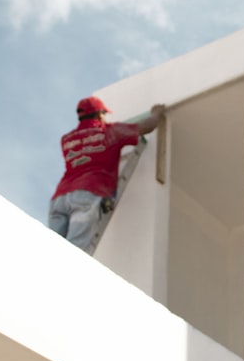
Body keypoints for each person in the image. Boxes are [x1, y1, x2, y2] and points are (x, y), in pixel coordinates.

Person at [48, 96, 166, 250]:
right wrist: (156, 114)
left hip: (59, 199)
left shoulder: (66, 139)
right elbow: (146, 127)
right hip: (88, 193)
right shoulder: (110, 132)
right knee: (76, 250)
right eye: (104, 114)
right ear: (99, 114)